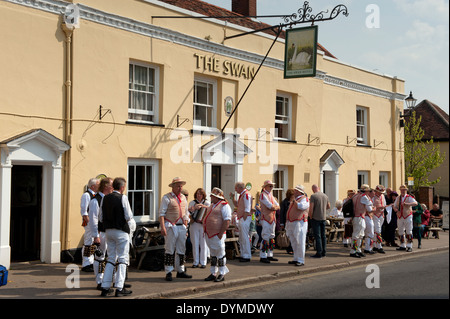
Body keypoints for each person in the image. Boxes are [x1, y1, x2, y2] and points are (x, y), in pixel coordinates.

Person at [99, 177, 134, 297]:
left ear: (113, 186)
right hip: (121, 231)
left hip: (108, 231)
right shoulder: (123, 198)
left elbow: (100, 217)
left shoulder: (105, 198)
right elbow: (129, 216)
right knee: (123, 259)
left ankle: (105, 287)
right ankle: (119, 288)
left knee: (110, 258)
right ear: (122, 187)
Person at [159, 177, 192, 281]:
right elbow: (161, 214)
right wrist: (163, 227)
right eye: (178, 185)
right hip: (170, 225)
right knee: (169, 249)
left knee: (181, 249)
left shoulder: (183, 198)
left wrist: (185, 227)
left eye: (181, 185)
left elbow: (186, 213)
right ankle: (168, 271)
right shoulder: (166, 198)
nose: (180, 187)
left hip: (181, 226)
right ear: (173, 186)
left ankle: (180, 270)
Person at [89, 177, 113, 290]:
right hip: (101, 232)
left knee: (111, 257)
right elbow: (93, 219)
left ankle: (109, 280)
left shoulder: (110, 199)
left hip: (110, 232)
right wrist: (95, 236)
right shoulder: (95, 200)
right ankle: (99, 281)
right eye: (112, 185)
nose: (114, 187)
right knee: (100, 257)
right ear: (106, 187)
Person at [203, 187, 232, 282]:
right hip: (210, 234)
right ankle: (213, 273)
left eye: (213, 196)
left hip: (217, 234)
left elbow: (226, 221)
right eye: (211, 195)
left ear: (218, 197)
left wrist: (220, 234)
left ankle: (222, 273)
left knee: (220, 253)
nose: (211, 197)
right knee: (213, 254)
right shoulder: (212, 205)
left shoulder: (224, 205)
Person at [285, 185, 309, 266]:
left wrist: (294, 202)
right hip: (292, 222)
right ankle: (296, 258)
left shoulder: (304, 199)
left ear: (299, 192)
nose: (294, 192)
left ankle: (301, 260)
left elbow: (301, 207)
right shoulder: (296, 199)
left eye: (295, 190)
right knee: (294, 241)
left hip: (300, 222)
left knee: (300, 241)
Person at [80, 178, 99, 272]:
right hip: (89, 223)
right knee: (88, 242)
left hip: (93, 222)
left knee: (91, 242)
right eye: (98, 184)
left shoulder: (95, 195)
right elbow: (84, 211)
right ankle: (86, 263)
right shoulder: (86, 195)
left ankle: (90, 261)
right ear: (93, 186)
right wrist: (89, 223)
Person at [258, 180, 280, 263]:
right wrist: (275, 207)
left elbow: (277, 206)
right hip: (266, 218)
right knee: (265, 236)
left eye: (272, 186)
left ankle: (270, 254)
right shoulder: (263, 195)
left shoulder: (270, 195)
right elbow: (271, 206)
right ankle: (263, 255)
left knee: (271, 236)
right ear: (265, 187)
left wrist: (275, 207)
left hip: (272, 218)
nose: (271, 188)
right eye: (270, 186)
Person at [188, 188, 209, 268]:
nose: (199, 195)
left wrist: (203, 206)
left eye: (200, 194)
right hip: (194, 224)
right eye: (197, 194)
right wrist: (194, 208)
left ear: (203, 195)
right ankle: (195, 262)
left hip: (203, 225)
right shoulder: (192, 202)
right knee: (195, 243)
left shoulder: (207, 202)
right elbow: (189, 213)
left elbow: (210, 210)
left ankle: (203, 262)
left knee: (203, 243)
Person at [349, 184, 373, 258]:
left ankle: (358, 249)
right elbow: (370, 208)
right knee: (357, 235)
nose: (368, 192)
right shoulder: (364, 197)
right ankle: (353, 251)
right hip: (359, 217)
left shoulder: (355, 196)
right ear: (366, 191)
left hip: (356, 217)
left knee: (360, 235)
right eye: (368, 191)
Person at [232, 182, 253, 262]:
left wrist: (244, 218)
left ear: (240, 187)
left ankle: (247, 255)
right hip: (242, 217)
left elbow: (247, 208)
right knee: (242, 237)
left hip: (245, 218)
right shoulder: (242, 195)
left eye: (236, 188)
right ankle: (243, 254)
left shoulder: (246, 195)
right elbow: (237, 205)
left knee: (244, 237)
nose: (235, 190)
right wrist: (233, 198)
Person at [393, 185, 418, 252]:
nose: (403, 191)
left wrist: (408, 204)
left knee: (409, 230)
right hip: (400, 216)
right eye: (401, 190)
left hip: (407, 215)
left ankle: (409, 246)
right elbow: (394, 206)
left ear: (406, 190)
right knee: (400, 231)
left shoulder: (409, 197)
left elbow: (415, 203)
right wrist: (396, 210)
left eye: (404, 190)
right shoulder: (398, 198)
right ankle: (402, 245)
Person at [308, 184, 330, 258]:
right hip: (323, 217)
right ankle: (324, 252)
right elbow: (328, 206)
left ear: (313, 189)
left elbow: (311, 208)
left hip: (316, 218)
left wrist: (310, 216)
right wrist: (323, 208)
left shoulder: (313, 196)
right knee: (323, 236)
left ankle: (319, 252)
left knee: (317, 236)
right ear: (319, 188)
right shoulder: (325, 196)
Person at [371, 185, 387, 254]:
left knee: (377, 230)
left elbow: (384, 204)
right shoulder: (373, 197)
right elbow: (371, 207)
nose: (381, 193)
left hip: (381, 215)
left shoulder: (383, 196)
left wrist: (384, 207)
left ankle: (375, 245)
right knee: (377, 230)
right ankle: (379, 246)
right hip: (375, 215)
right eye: (380, 192)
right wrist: (377, 208)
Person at [279, 189, 295, 254]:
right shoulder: (284, 202)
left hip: (294, 221)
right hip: (287, 221)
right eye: (292, 195)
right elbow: (282, 213)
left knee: (293, 235)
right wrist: (282, 223)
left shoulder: (295, 201)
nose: (293, 196)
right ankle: (289, 249)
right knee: (288, 235)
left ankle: (293, 248)